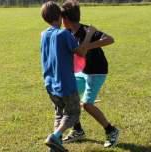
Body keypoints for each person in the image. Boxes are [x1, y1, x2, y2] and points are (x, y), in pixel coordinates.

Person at [61, 0, 120, 148]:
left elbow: (110, 39)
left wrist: (88, 45)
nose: (61, 21)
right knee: (68, 95)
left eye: (62, 18)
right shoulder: (67, 33)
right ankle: (78, 130)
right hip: (81, 71)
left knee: (87, 105)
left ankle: (111, 130)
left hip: (96, 71)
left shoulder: (87, 30)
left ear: (66, 19)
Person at [40, 1, 95, 151]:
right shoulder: (63, 34)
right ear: (59, 16)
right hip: (65, 84)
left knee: (59, 114)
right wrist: (89, 33)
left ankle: (55, 147)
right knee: (73, 113)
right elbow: (81, 52)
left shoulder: (44, 34)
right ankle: (54, 136)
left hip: (50, 84)